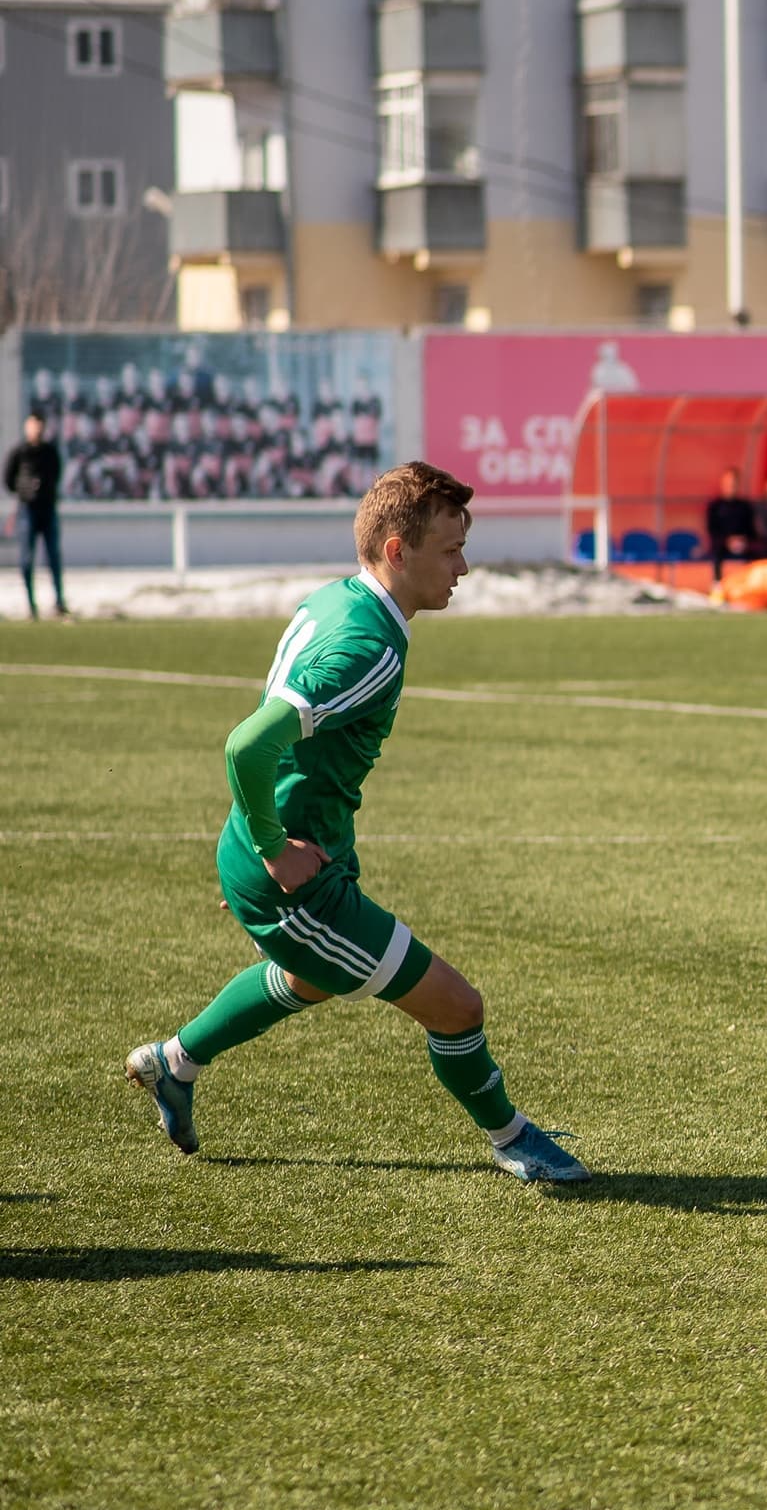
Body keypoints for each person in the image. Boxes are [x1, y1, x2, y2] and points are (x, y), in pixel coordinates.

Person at [124, 462, 588, 1182]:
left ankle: (174, 1063)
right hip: (291, 870)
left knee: (309, 978)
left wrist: (263, 840)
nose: (463, 567)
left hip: (296, 847)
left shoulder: (339, 600)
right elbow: (248, 743)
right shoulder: (368, 645)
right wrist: (270, 851)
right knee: (458, 1007)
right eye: (448, 549)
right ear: (398, 550)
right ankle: (512, 1136)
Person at [9, 412, 68, 619]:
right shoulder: (20, 452)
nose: (37, 429)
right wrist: (25, 491)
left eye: (40, 425)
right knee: (26, 558)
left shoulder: (50, 452)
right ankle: (31, 605)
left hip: (48, 509)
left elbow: (57, 474)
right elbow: (9, 479)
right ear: (27, 427)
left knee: (53, 557)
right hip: (27, 510)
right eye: (33, 425)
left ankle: (59, 602)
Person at [706, 467, 756, 581]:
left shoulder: (745, 506)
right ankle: (717, 585)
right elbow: (712, 530)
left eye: (733, 483)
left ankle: (751, 585)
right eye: (728, 483)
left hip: (743, 543)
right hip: (722, 544)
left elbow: (751, 529)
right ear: (722, 484)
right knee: (716, 553)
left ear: (738, 485)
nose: (731, 486)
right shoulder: (715, 506)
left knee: (758, 553)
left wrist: (742, 540)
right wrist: (727, 541)